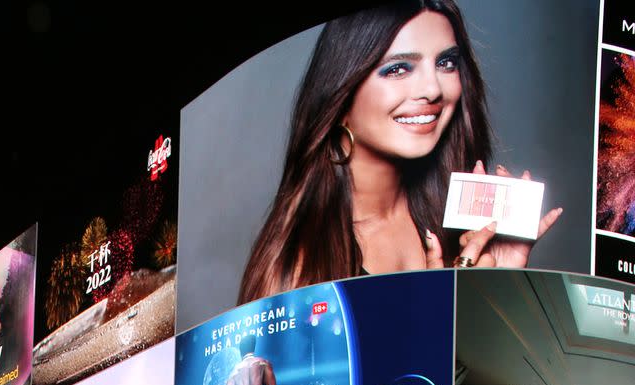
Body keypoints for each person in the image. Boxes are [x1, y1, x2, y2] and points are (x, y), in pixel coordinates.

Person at [238, 0, 563, 298]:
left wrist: (495, 288)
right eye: (398, 68)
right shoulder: (298, 265)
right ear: (341, 91)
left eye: (446, 63)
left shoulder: (453, 220)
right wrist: (436, 314)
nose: (432, 89)